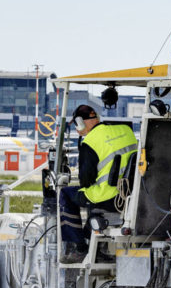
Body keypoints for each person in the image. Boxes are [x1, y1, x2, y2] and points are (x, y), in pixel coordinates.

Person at [59, 104, 138, 263]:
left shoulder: (90, 142)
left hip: (107, 197)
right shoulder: (125, 130)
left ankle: (78, 248)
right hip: (131, 196)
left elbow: (86, 181)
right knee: (87, 197)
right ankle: (94, 243)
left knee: (66, 194)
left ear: (80, 122)